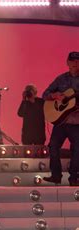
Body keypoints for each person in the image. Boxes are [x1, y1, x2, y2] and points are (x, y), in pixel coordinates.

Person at [42, 51, 79, 186]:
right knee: (53, 147)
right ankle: (56, 175)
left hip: (76, 122)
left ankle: (74, 177)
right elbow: (45, 94)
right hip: (61, 122)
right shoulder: (61, 79)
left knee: (77, 149)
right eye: (73, 61)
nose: (76, 63)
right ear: (67, 63)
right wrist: (55, 95)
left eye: (78, 61)